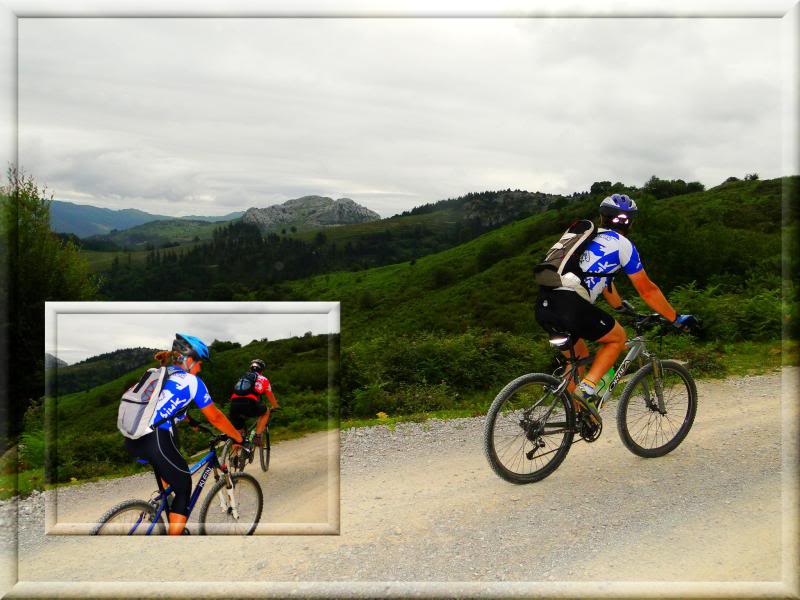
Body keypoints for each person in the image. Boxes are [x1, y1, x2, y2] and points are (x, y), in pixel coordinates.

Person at [535, 194, 696, 423]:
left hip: (545, 304)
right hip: (571, 306)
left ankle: (573, 415)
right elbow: (647, 290)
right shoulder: (624, 245)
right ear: (629, 222)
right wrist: (675, 318)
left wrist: (621, 308)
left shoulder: (584, 239)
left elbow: (606, 284)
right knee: (617, 338)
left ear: (602, 217)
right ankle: (587, 390)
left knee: (578, 359)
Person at [124, 333, 245, 535]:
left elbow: (164, 404)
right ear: (188, 360)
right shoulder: (192, 382)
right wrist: (238, 437)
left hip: (132, 437)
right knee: (183, 485)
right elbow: (215, 417)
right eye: (199, 363)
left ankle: (165, 506)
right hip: (156, 439)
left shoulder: (157, 372)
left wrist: (192, 422)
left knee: (169, 473)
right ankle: (174, 541)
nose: (200, 368)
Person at [228, 358, 279, 446]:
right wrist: (275, 406)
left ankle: (234, 457)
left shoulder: (243, 377)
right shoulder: (264, 379)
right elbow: (270, 396)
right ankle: (257, 437)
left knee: (238, 436)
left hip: (234, 404)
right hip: (249, 403)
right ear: (262, 370)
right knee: (266, 412)